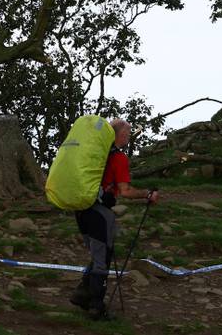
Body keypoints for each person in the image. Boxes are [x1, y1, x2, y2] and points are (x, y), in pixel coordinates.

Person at [70, 117, 160, 320]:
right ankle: (96, 306)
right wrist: (147, 194)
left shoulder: (96, 154)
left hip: (81, 209)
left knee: (97, 255)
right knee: (103, 259)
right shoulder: (118, 158)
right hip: (100, 213)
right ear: (120, 134)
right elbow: (125, 191)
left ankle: (81, 294)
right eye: (127, 133)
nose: (128, 137)